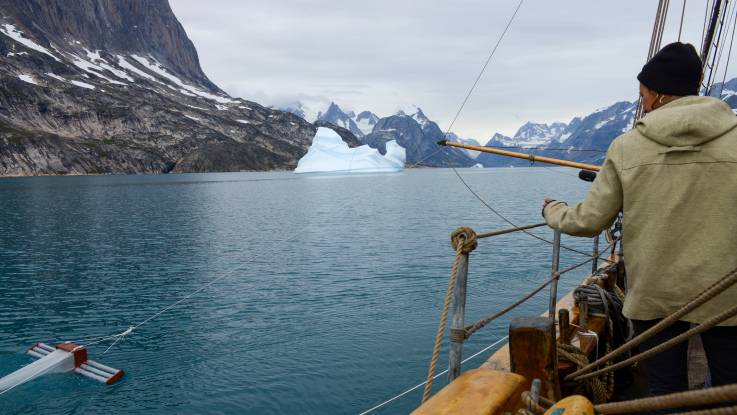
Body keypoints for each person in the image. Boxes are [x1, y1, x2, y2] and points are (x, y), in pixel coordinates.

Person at [542, 42, 737, 399]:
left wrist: (552, 210)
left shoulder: (626, 147)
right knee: (731, 390)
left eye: (644, 93)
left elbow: (588, 221)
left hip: (655, 293)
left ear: (659, 94)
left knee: (665, 391)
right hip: (728, 293)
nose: (642, 101)